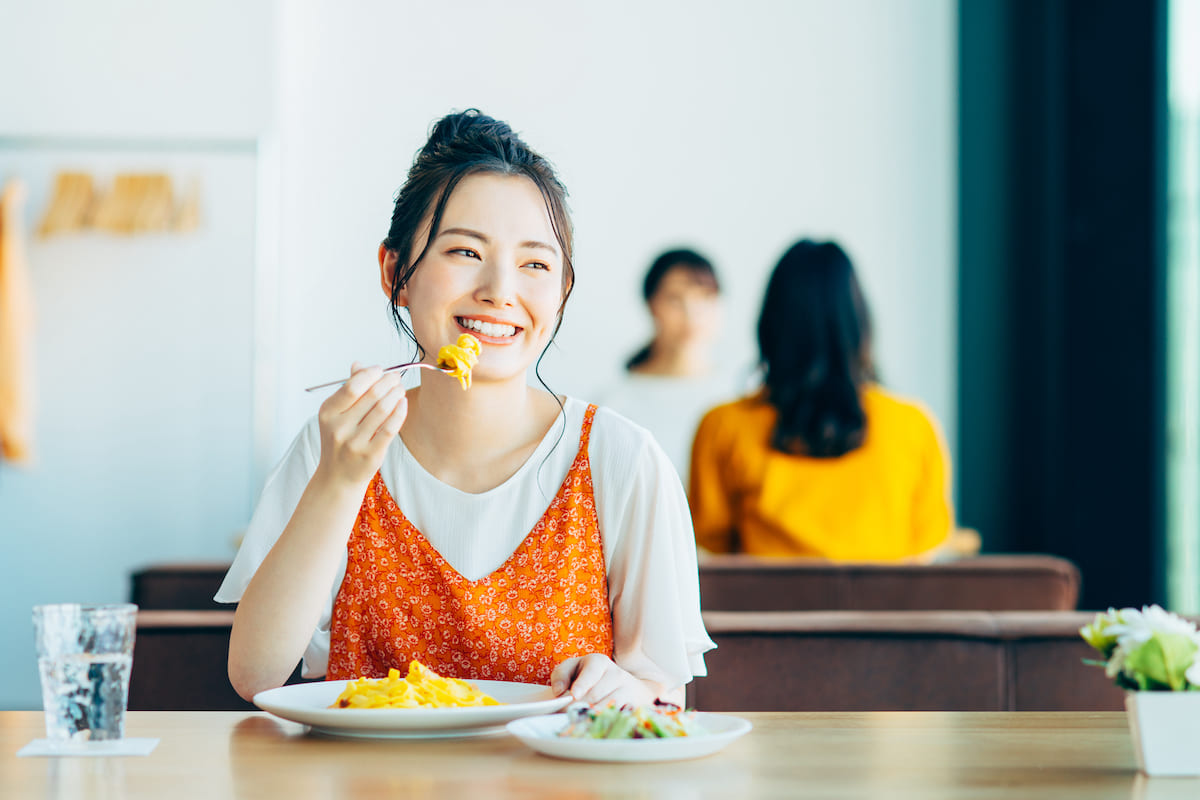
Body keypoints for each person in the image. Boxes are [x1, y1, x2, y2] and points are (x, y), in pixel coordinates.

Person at [216, 110, 713, 707]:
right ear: (394, 272)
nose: (501, 290)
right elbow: (257, 674)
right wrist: (338, 482)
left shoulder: (622, 460)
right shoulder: (342, 445)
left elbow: (662, 701)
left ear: (562, 292)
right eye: (465, 252)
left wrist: (625, 689)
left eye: (535, 263)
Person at [689, 239, 953, 560]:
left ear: (770, 322)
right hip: (887, 610)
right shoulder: (914, 426)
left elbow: (710, 548)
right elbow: (926, 547)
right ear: (859, 322)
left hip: (765, 609)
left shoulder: (722, 426)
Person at [597, 249, 739, 486]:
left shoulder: (742, 395)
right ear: (652, 306)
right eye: (675, 299)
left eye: (705, 297)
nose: (691, 313)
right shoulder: (612, 405)